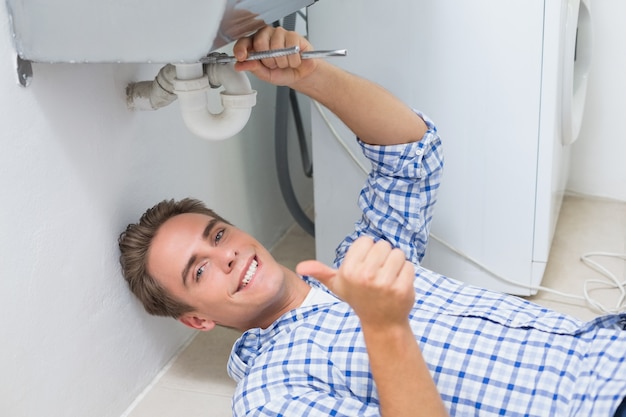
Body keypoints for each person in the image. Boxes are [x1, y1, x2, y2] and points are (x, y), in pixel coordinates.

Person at [118, 26, 626, 417]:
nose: (225, 254)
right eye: (199, 271)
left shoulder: (357, 263)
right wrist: (384, 325)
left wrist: (310, 75)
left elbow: (412, 155)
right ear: (198, 320)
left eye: (218, 234)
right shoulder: (271, 393)